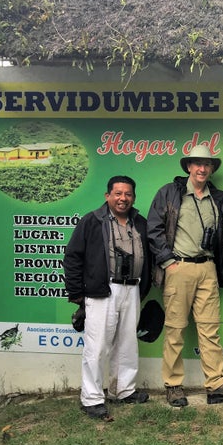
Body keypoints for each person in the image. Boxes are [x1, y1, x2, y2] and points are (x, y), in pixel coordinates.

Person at [147, 144, 223, 407]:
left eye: (207, 164)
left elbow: (219, 235)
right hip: (178, 268)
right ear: (188, 167)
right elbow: (153, 228)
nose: (202, 168)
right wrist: (167, 262)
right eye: (197, 163)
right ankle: (173, 385)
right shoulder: (170, 193)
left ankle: (216, 385)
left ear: (212, 169)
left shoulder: (216, 197)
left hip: (208, 268)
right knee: (175, 329)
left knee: (210, 329)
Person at [64, 175, 152, 419]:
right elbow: (72, 256)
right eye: (118, 193)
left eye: (128, 194)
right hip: (104, 290)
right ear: (108, 196)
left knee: (127, 344)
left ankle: (122, 390)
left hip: (131, 288)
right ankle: (91, 398)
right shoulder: (92, 221)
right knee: (97, 345)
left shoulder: (140, 223)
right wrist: (76, 293)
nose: (123, 198)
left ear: (133, 197)